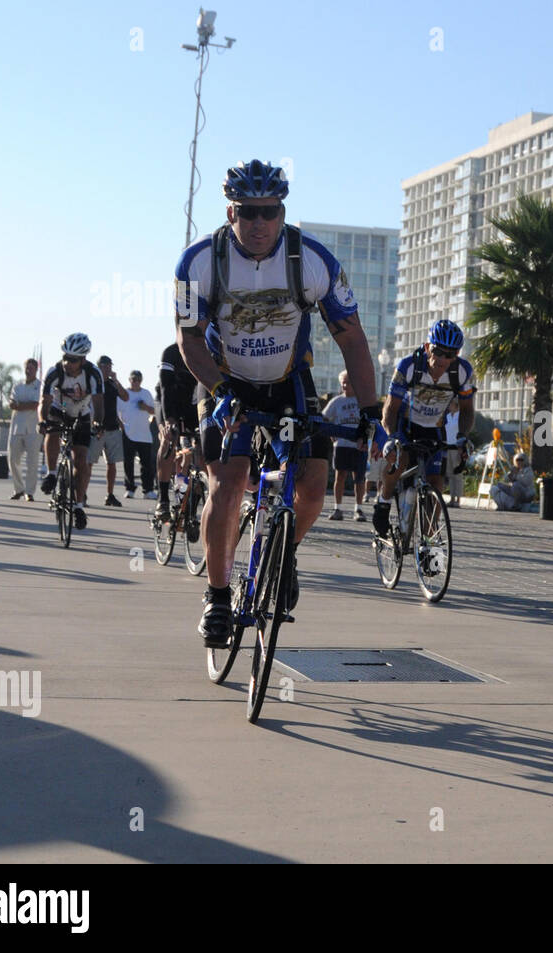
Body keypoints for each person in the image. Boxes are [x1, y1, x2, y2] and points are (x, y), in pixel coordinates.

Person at [176, 159, 380, 647]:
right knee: (226, 482)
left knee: (312, 483)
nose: (260, 223)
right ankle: (218, 597)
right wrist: (222, 394)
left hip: (289, 381)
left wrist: (371, 416)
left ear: (283, 211)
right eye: (248, 212)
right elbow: (188, 340)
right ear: (231, 212)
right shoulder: (199, 262)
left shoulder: (313, 261)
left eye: (270, 211)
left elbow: (352, 339)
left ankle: (282, 553)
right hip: (226, 382)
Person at [372, 319, 475, 537]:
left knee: (435, 483)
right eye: (438, 351)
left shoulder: (463, 372)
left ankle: (429, 542)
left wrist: (463, 437)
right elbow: (390, 409)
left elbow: (467, 411)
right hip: (404, 424)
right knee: (397, 463)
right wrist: (391, 437)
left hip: (433, 428)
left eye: (450, 354)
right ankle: (383, 502)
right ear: (428, 347)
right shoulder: (409, 366)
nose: (443, 359)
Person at [38, 334, 104, 529]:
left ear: (83, 360)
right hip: (59, 409)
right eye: (65, 357)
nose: (67, 362)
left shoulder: (93, 374)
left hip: (82, 413)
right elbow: (45, 402)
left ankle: (79, 505)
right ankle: (51, 473)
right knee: (52, 430)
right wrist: (43, 421)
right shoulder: (55, 372)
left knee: (81, 459)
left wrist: (98, 423)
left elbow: (99, 403)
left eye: (73, 359)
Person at [154, 340, 203, 523]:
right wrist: (169, 421)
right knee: (170, 439)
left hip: (192, 405)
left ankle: (190, 507)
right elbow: (166, 387)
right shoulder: (172, 352)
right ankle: (163, 499)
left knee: (201, 454)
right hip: (168, 401)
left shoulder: (210, 351)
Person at [322, 370, 368, 521]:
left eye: (349, 382)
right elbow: (324, 418)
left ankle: (358, 509)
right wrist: (331, 435)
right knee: (340, 476)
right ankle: (337, 508)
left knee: (359, 478)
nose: (346, 385)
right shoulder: (337, 401)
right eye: (344, 382)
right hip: (341, 444)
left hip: (359, 444)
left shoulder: (362, 401)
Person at [89, 356, 130, 507]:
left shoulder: (113, 384)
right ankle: (83, 494)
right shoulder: (93, 383)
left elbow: (125, 397)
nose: (107, 368)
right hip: (97, 428)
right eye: (104, 366)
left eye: (109, 366)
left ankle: (110, 494)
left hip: (112, 428)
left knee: (112, 464)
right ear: (99, 366)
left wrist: (116, 380)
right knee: (89, 462)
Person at [118, 370, 158, 500]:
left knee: (147, 464)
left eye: (138, 380)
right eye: (133, 379)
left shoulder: (146, 393)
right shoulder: (124, 394)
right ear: (129, 380)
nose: (136, 382)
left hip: (144, 434)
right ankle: (129, 488)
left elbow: (154, 411)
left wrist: (145, 407)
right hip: (128, 433)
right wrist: (121, 426)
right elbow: (116, 412)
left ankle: (148, 490)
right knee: (128, 463)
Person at [7, 358, 40, 501]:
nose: (28, 370)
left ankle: (29, 492)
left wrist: (20, 405)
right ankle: (18, 489)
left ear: (36, 369)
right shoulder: (17, 386)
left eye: (31, 368)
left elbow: (35, 404)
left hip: (33, 429)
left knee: (32, 461)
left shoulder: (40, 386)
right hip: (16, 427)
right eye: (27, 367)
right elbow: (12, 403)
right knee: (13, 459)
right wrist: (20, 405)